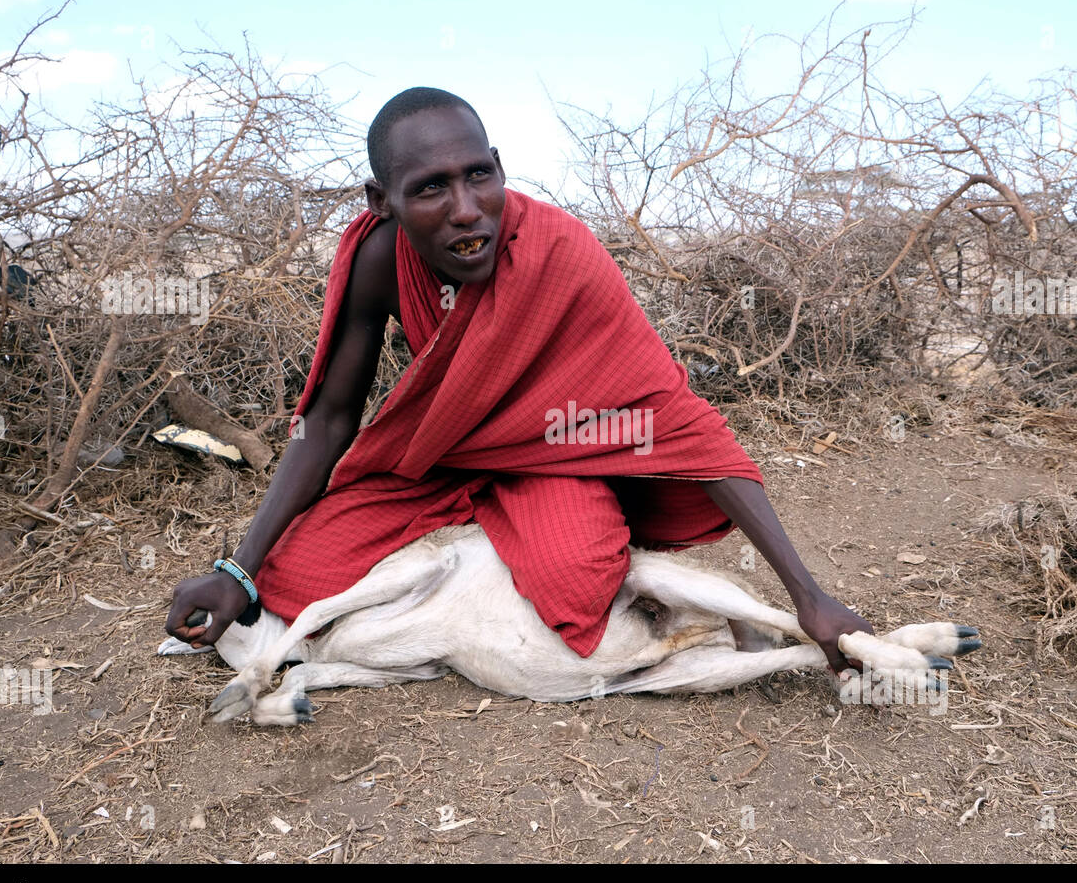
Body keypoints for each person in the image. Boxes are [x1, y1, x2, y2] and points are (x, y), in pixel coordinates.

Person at [165, 87, 872, 672]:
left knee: (577, 591)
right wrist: (241, 571)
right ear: (382, 201)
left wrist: (808, 597)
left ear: (499, 167)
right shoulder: (379, 258)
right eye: (431, 189)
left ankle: (538, 529)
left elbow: (672, 417)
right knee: (290, 582)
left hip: (556, 458)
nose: (467, 209)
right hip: (441, 462)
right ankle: (475, 532)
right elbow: (327, 417)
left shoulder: (562, 253)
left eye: (478, 175)